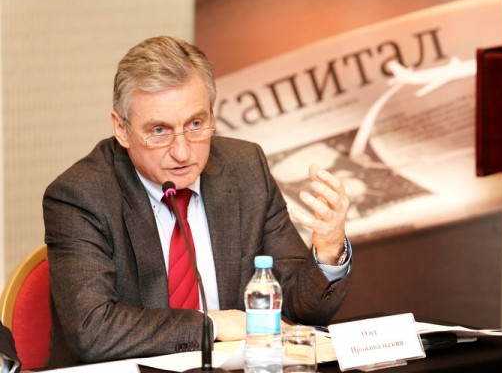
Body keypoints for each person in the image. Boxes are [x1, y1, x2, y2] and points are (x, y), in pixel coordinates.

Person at [43, 36, 352, 368]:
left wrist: (328, 251)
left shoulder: (245, 169)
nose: (182, 152)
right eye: (159, 131)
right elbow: (93, 331)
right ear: (121, 128)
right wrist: (212, 324)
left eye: (195, 124)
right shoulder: (80, 196)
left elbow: (300, 309)